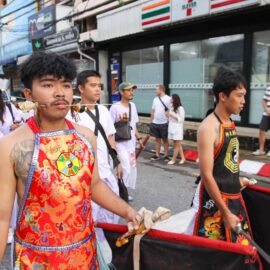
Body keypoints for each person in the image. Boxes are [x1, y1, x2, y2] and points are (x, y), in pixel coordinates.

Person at [0, 52, 142, 268]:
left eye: (66, 85)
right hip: (36, 259)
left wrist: (128, 212)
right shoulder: (10, 146)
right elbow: (2, 218)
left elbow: (93, 185)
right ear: (28, 94)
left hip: (84, 254)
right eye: (48, 85)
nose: (60, 93)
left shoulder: (86, 137)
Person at [66, 70, 121, 236]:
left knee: (110, 215)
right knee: (88, 217)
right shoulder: (71, 113)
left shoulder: (104, 111)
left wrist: (118, 162)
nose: (98, 89)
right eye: (93, 85)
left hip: (105, 171)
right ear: (81, 88)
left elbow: (110, 138)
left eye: (99, 85)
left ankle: (105, 252)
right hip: (84, 175)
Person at [110, 82, 144, 201]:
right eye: (128, 90)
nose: (131, 92)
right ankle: (119, 192)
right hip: (119, 143)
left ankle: (122, 190)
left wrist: (139, 139)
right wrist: (112, 147)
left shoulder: (133, 106)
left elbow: (133, 125)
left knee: (131, 168)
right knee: (125, 168)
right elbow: (110, 127)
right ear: (121, 92)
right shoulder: (115, 107)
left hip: (131, 143)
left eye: (132, 90)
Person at [0, 91, 23, 245]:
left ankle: (9, 227)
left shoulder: (8, 107)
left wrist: (17, 125)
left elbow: (20, 122)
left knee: (9, 191)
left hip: (9, 154)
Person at [150, 84, 171, 161]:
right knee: (157, 139)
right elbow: (153, 111)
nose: (155, 91)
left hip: (164, 122)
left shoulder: (168, 99)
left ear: (161, 89)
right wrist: (151, 122)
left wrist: (169, 120)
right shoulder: (155, 99)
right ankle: (157, 154)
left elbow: (170, 111)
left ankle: (166, 155)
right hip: (155, 122)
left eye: (156, 89)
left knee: (165, 140)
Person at [166, 94, 186, 165]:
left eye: (171, 98)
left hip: (177, 128)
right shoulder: (171, 107)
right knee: (177, 144)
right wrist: (168, 115)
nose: (170, 100)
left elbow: (181, 119)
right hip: (172, 128)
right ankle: (183, 158)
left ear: (175, 99)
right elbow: (170, 118)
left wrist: (172, 115)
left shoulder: (180, 108)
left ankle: (173, 159)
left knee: (176, 145)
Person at [252, 86, 270, 156]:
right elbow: (264, 101)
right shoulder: (269, 88)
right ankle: (261, 150)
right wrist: (267, 109)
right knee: (262, 130)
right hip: (266, 113)